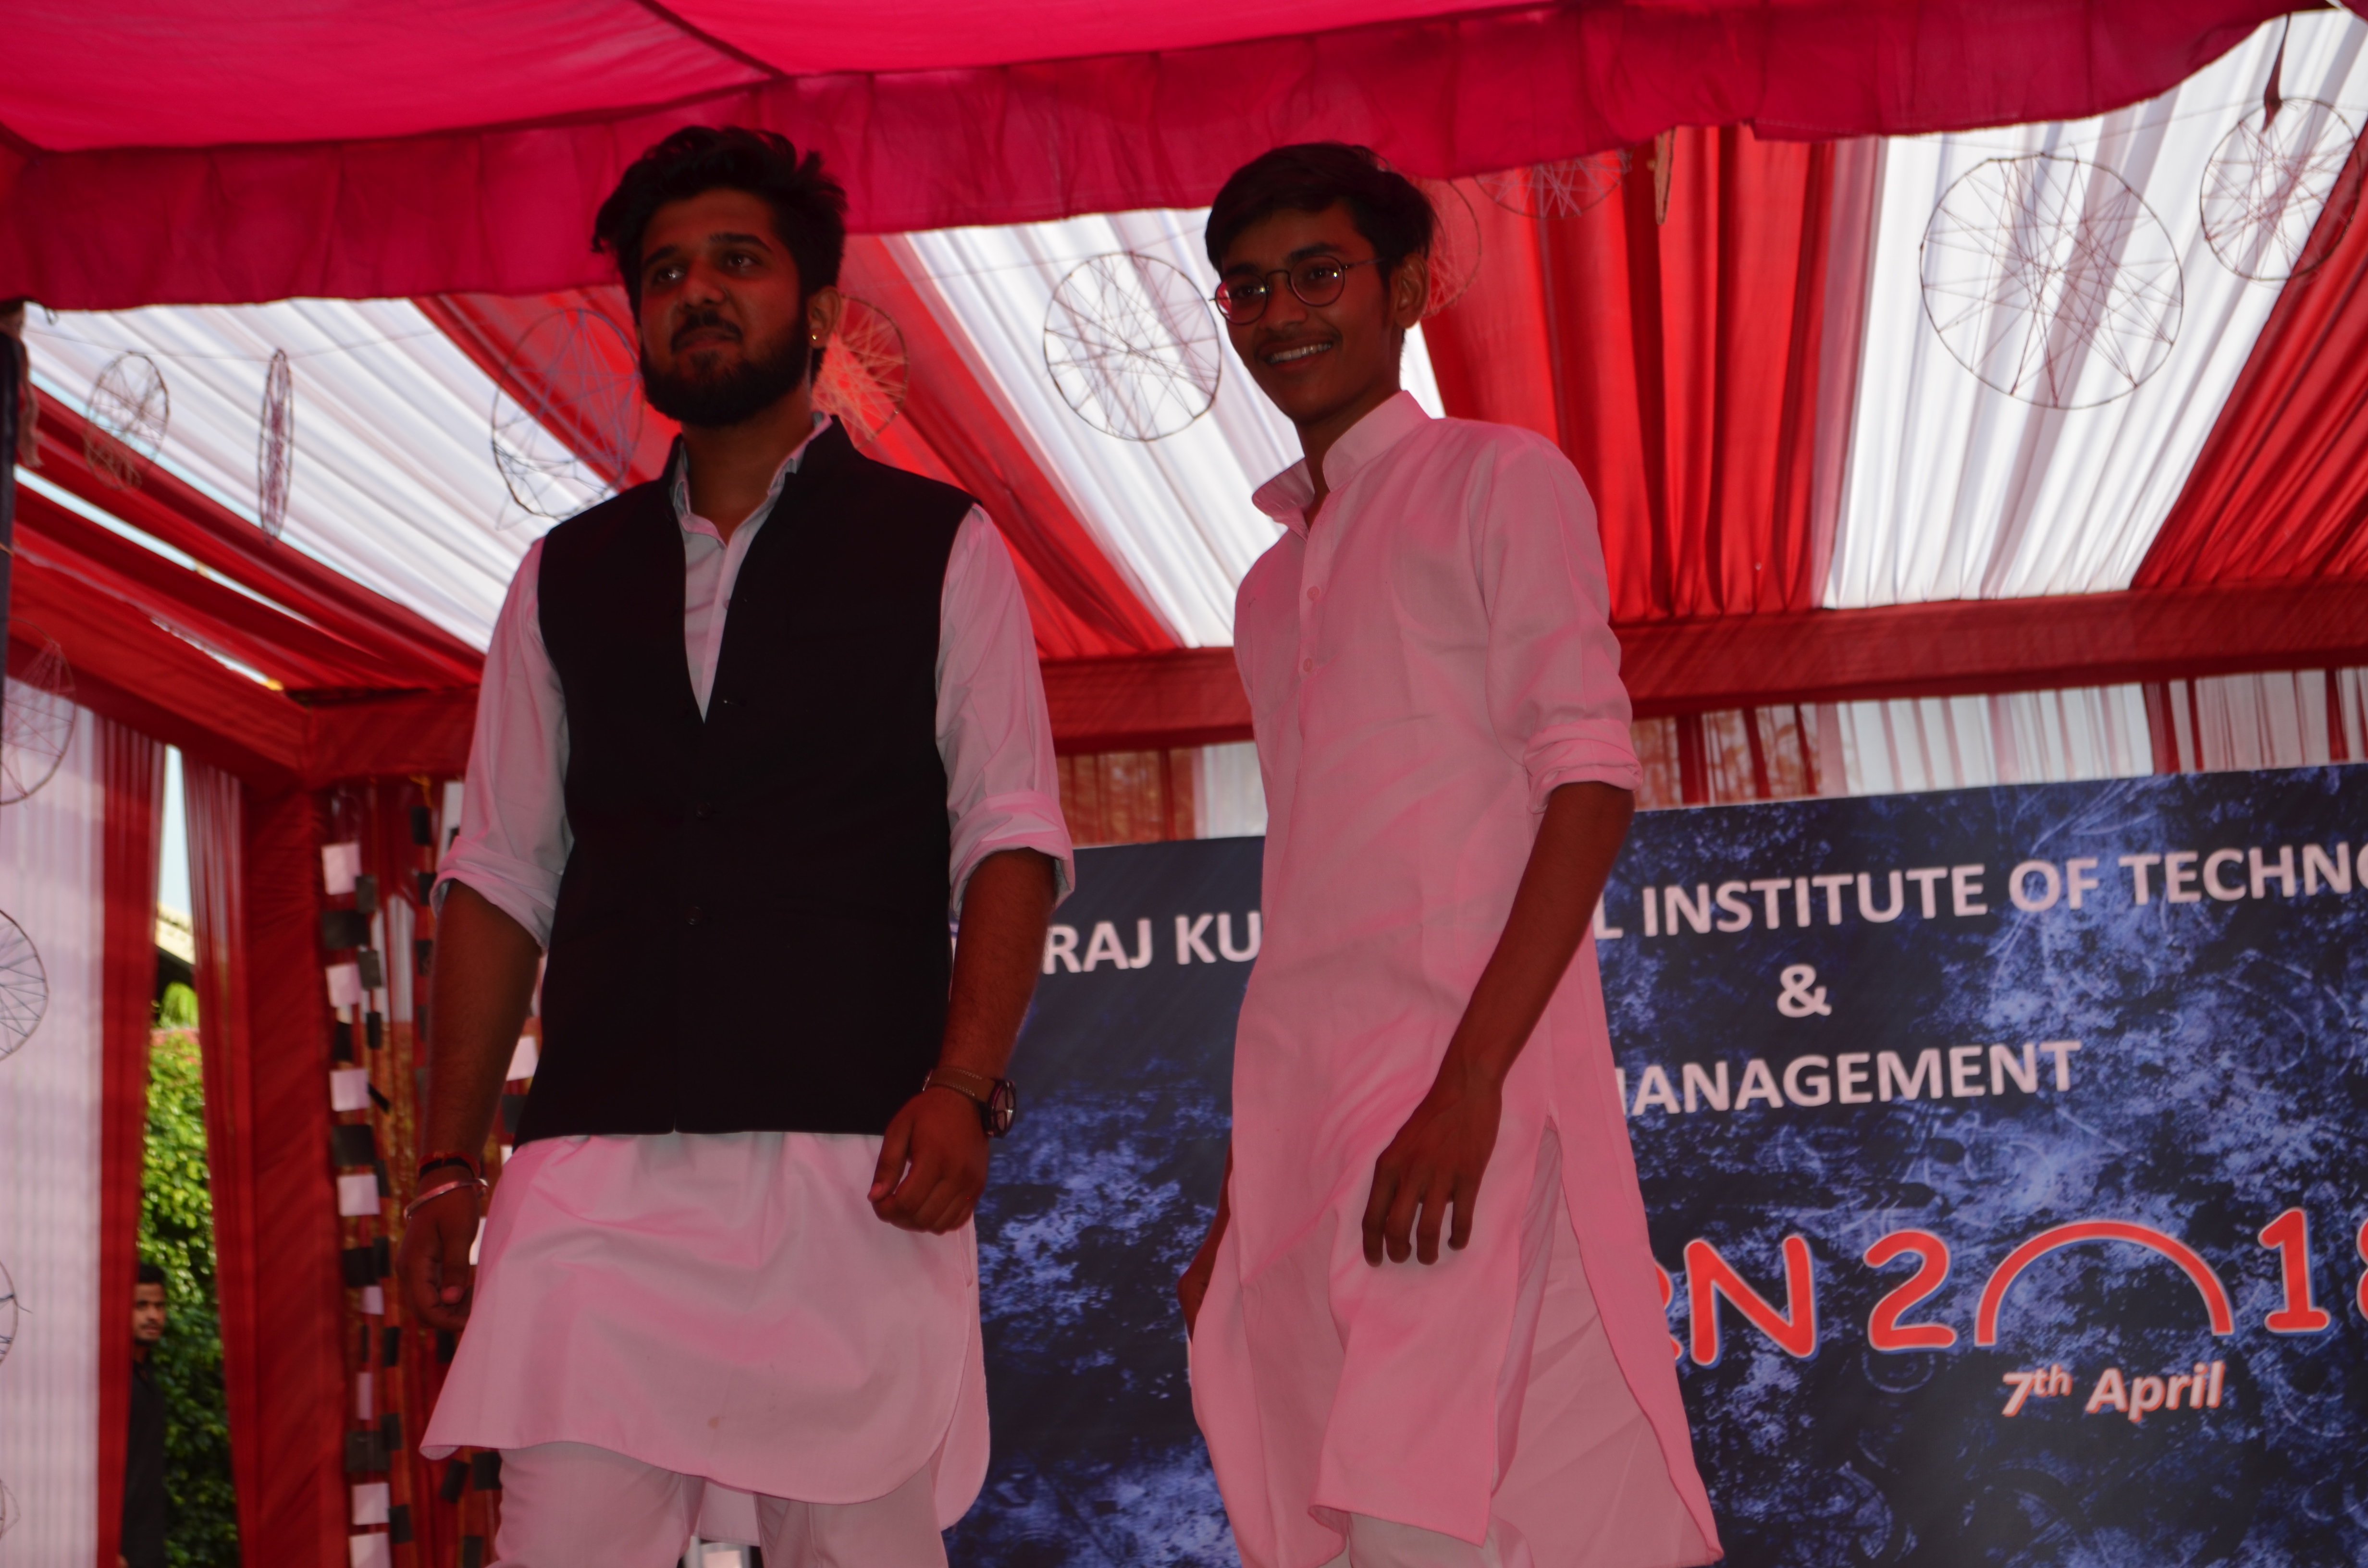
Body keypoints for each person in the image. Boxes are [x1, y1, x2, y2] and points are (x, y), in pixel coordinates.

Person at [398, 126, 1070, 1568]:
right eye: (664, 273)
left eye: (737, 261)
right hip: (595, 1167)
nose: (695, 291)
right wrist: (448, 1160)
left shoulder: (938, 545)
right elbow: (500, 871)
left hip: (851, 1161)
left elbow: (1010, 835)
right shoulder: (564, 574)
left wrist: (964, 1085)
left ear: (819, 310)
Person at [1175, 144, 1723, 1568]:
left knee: (1416, 1495)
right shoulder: (1266, 585)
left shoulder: (1496, 478)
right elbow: (1306, 882)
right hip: (1309, 1116)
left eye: (1318, 274)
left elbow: (1588, 780)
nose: (1281, 313)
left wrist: (1469, 1082)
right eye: (1249, 288)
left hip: (1462, 1091)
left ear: (1408, 287)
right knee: (1387, 1500)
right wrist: (1243, 1189)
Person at [124, 1262, 168, 1568]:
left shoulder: (147, 1374)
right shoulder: (113, 1381)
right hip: (120, 1548)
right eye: (141, 1306)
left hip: (149, 1544)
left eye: (159, 1306)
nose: (153, 1315)